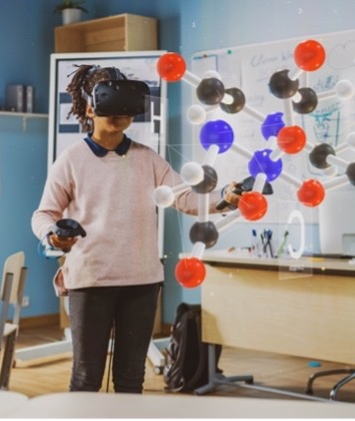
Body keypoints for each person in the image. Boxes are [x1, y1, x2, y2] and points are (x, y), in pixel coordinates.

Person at [31, 64, 240, 393]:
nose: (120, 116)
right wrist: (52, 234)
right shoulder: (70, 160)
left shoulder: (148, 159)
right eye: (110, 107)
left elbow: (184, 197)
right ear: (90, 108)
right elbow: (43, 214)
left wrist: (225, 199)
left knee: (131, 378)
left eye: (126, 109)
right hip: (91, 280)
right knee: (86, 376)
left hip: (141, 281)